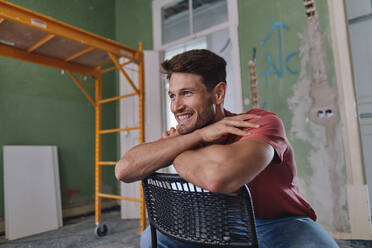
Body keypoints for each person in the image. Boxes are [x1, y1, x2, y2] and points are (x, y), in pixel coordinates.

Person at [115, 49, 339, 248]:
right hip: (216, 223)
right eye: (172, 95)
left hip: (278, 223)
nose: (176, 106)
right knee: (150, 239)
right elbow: (124, 170)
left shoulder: (258, 122)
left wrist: (175, 151)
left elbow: (219, 178)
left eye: (187, 93)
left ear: (218, 93)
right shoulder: (189, 133)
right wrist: (198, 136)